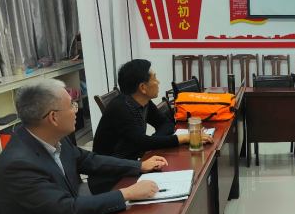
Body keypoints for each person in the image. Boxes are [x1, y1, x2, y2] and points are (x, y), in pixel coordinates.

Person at [0, 79, 168, 214]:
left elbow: (89, 160)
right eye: (72, 106)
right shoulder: (19, 164)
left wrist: (139, 166)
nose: (76, 110)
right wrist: (128, 193)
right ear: (53, 117)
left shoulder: (53, 138)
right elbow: (67, 208)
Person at [90, 59, 213, 194]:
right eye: (154, 79)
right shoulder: (120, 108)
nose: (158, 82)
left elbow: (166, 123)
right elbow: (143, 143)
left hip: (131, 167)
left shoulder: (143, 102)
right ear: (142, 88)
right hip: (110, 178)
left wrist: (153, 141)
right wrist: (184, 138)